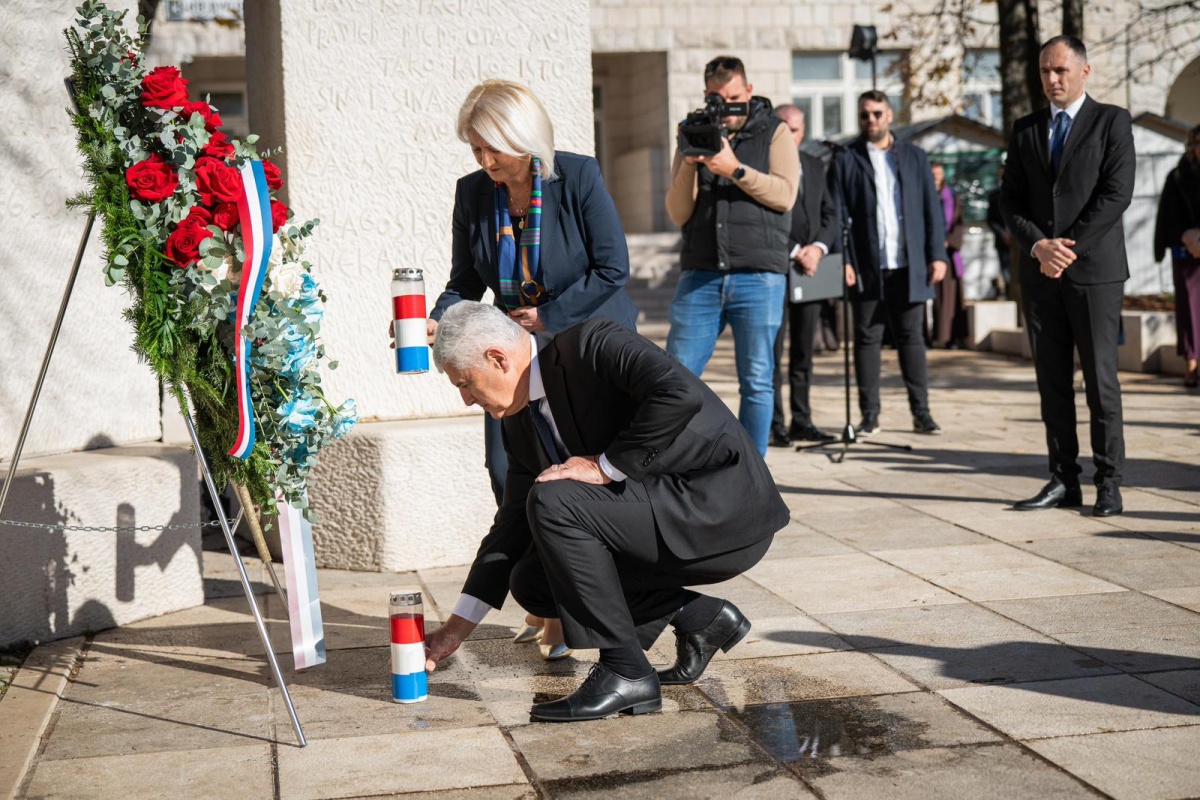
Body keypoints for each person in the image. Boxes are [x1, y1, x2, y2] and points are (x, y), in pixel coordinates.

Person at [422, 302, 788, 722]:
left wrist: (604, 466)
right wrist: (454, 631)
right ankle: (699, 617)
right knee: (534, 582)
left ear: (497, 359)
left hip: (719, 509)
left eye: (465, 383)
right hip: (661, 516)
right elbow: (509, 528)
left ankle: (626, 672)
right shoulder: (520, 422)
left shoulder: (592, 343)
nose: (467, 400)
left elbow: (678, 393)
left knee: (553, 501)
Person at [428, 79, 639, 658]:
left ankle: (569, 608)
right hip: (514, 354)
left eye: (493, 147)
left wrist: (548, 317)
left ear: (524, 138)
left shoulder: (578, 176)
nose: (485, 161)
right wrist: (438, 319)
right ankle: (548, 602)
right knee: (510, 477)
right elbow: (465, 282)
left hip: (585, 345)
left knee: (577, 474)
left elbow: (612, 268)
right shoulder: (473, 193)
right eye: (476, 149)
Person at [1001, 36, 1135, 517]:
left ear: (1084, 71)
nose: (1052, 79)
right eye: (1045, 71)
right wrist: (1039, 246)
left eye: (1060, 70)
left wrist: (1065, 248)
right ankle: (1063, 479)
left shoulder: (1112, 121)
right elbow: (1010, 200)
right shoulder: (1026, 129)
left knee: (1101, 381)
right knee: (1052, 382)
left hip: (1094, 273)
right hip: (1040, 273)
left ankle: (1109, 482)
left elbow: (1116, 194)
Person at [665, 55, 799, 456]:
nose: (725, 107)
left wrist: (735, 169)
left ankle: (752, 474)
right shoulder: (692, 130)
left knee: (757, 380)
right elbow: (678, 212)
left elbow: (785, 195)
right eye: (716, 99)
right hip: (701, 273)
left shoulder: (774, 131)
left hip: (759, 276)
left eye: (734, 99)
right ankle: (676, 466)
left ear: (749, 92)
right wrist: (690, 163)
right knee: (675, 376)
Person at [830, 90, 948, 436]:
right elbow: (835, 213)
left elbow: (931, 209)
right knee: (867, 339)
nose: (871, 120)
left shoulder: (914, 157)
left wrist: (937, 254)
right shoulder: (846, 159)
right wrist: (842, 260)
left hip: (909, 264)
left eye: (877, 113)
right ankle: (870, 415)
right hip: (866, 265)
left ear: (890, 115)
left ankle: (922, 413)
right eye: (865, 115)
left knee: (912, 338)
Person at [769, 104, 837, 447]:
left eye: (795, 129)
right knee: (772, 352)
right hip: (776, 268)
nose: (790, 134)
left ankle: (802, 419)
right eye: (784, 127)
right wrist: (796, 250)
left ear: (803, 131)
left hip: (810, 270)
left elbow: (830, 213)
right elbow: (766, 219)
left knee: (804, 351)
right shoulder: (763, 164)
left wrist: (818, 249)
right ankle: (774, 424)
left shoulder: (813, 164)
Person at [1153, 123, 1200, 387]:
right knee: (1189, 306)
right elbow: (1167, 215)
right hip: (1185, 251)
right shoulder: (1178, 176)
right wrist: (1184, 237)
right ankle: (1191, 361)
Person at [931, 162, 969, 348]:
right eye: (933, 173)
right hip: (928, 250)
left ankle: (951, 337)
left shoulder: (951, 196)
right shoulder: (924, 194)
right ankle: (930, 337)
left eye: (938, 173)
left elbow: (959, 223)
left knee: (951, 296)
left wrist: (949, 241)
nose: (936, 177)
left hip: (949, 252)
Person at [987, 165, 1014, 300]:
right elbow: (991, 219)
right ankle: (1010, 296)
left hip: (1020, 241)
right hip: (1003, 241)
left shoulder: (1021, 193)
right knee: (1006, 271)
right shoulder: (994, 195)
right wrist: (1003, 234)